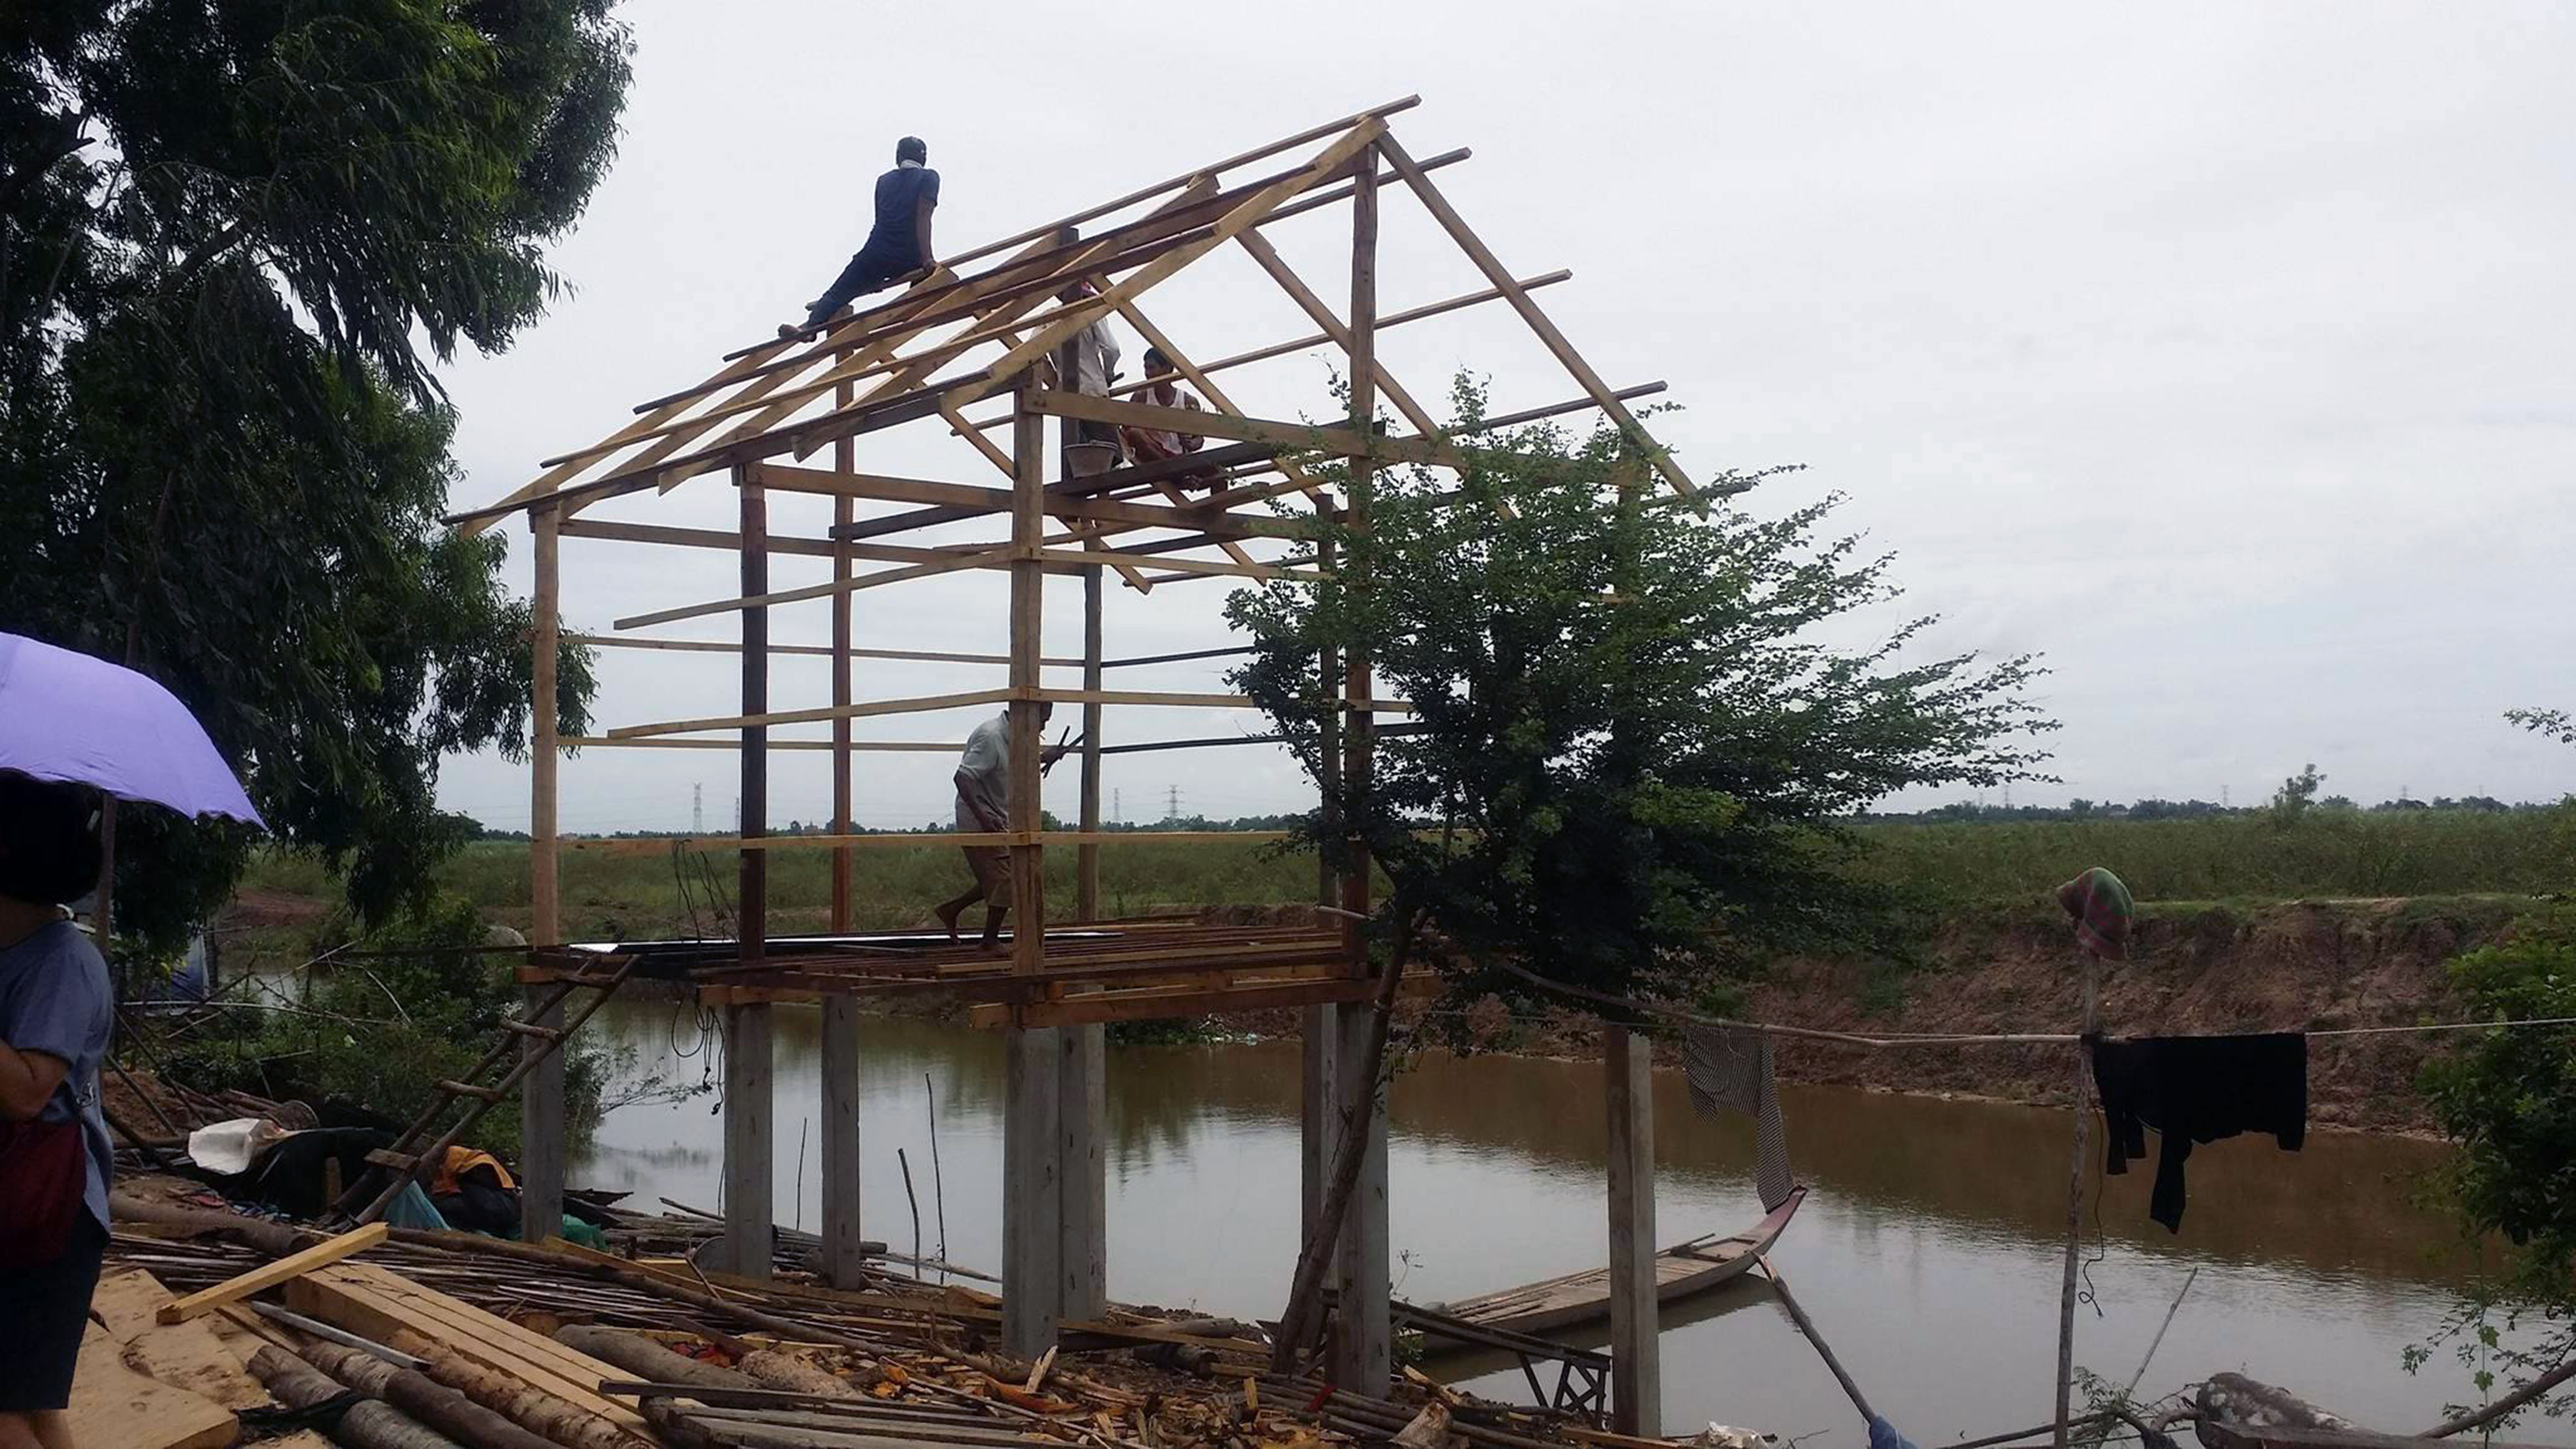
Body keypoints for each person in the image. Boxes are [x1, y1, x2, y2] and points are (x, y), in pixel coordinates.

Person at [0, 773, 112, 1449]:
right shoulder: (14, 950)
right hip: (21, 1206)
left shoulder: (63, 962)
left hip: (48, 1213)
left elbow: (27, 1091)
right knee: (32, 1406)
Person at [933, 704, 1069, 950]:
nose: (1043, 727)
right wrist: (984, 819)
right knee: (1007, 880)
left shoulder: (1017, 738)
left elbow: (1010, 765)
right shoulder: (992, 737)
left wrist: (1043, 757)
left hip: (998, 818)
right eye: (1041, 720)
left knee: (1004, 876)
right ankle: (989, 940)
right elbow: (962, 778)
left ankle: (951, 910)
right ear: (1024, 715)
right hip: (978, 821)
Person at [782, 135, 940, 338]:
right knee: (931, 281)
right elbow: (924, 216)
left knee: (841, 289)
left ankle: (809, 328)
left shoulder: (884, 181)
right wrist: (928, 259)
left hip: (877, 252)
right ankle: (906, 321)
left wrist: (871, 277)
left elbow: (880, 220)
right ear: (923, 157)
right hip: (910, 255)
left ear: (898, 156)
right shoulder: (929, 177)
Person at [1118, 344, 1218, 489]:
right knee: (1134, 434)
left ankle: (1217, 504)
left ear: (1167, 369)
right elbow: (1127, 432)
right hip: (1155, 456)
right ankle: (1180, 478)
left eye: (1152, 368)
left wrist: (1191, 443)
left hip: (1180, 459)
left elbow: (1199, 439)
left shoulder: (1188, 401)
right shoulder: (1141, 397)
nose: (1147, 373)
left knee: (1219, 471)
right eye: (1146, 368)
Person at [1058, 283, 1126, 473]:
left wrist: (1054, 378)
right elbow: (1112, 349)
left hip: (1064, 398)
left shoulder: (1050, 317)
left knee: (1078, 459)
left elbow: (1033, 352)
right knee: (1111, 456)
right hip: (1092, 391)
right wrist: (1108, 373)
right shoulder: (1092, 312)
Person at [429, 1144, 520, 1236]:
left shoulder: (475, 1170)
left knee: (447, 1206)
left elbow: (485, 1205)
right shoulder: (468, 1170)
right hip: (497, 1212)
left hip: (498, 1213)